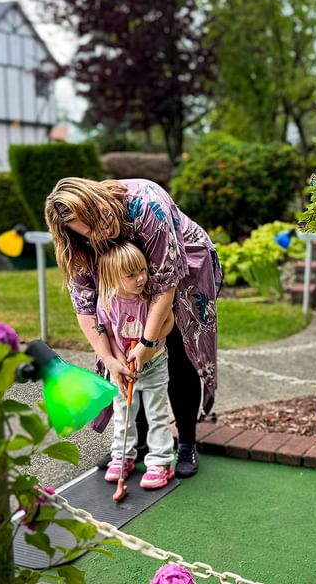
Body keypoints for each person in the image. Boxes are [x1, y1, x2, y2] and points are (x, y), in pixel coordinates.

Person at [45, 178, 223, 478]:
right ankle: (136, 443)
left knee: (179, 353)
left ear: (100, 199)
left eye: (99, 218)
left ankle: (187, 443)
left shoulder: (148, 205)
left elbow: (166, 286)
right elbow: (85, 305)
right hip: (124, 277)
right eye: (89, 233)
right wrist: (110, 359)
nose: (101, 232)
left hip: (185, 270)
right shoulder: (78, 241)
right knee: (124, 357)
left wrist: (148, 343)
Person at [97, 241, 176, 489]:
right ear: (113, 278)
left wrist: (147, 351)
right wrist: (119, 361)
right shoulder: (107, 302)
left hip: (153, 365)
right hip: (122, 370)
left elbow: (168, 323)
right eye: (131, 275)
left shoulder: (150, 298)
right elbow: (108, 334)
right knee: (124, 414)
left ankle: (160, 462)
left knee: (157, 415)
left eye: (142, 270)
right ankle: (123, 456)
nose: (141, 278)